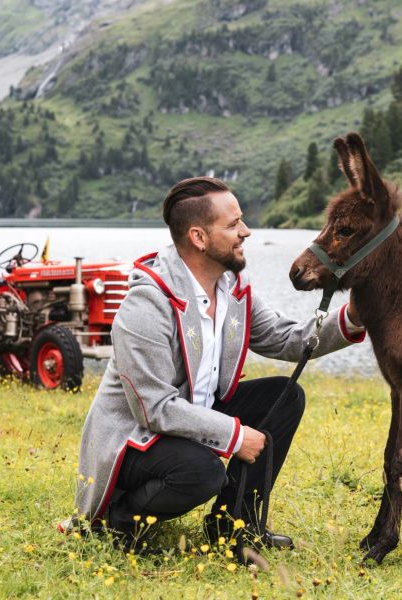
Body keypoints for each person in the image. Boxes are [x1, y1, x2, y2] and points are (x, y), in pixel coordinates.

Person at [58, 176, 365, 552]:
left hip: (192, 415)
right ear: (199, 238)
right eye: (233, 224)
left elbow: (287, 339)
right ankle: (120, 522)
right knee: (203, 472)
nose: (246, 232)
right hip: (133, 439)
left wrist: (353, 317)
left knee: (285, 397)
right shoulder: (146, 303)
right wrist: (235, 437)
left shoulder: (233, 287)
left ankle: (235, 527)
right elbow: (153, 408)